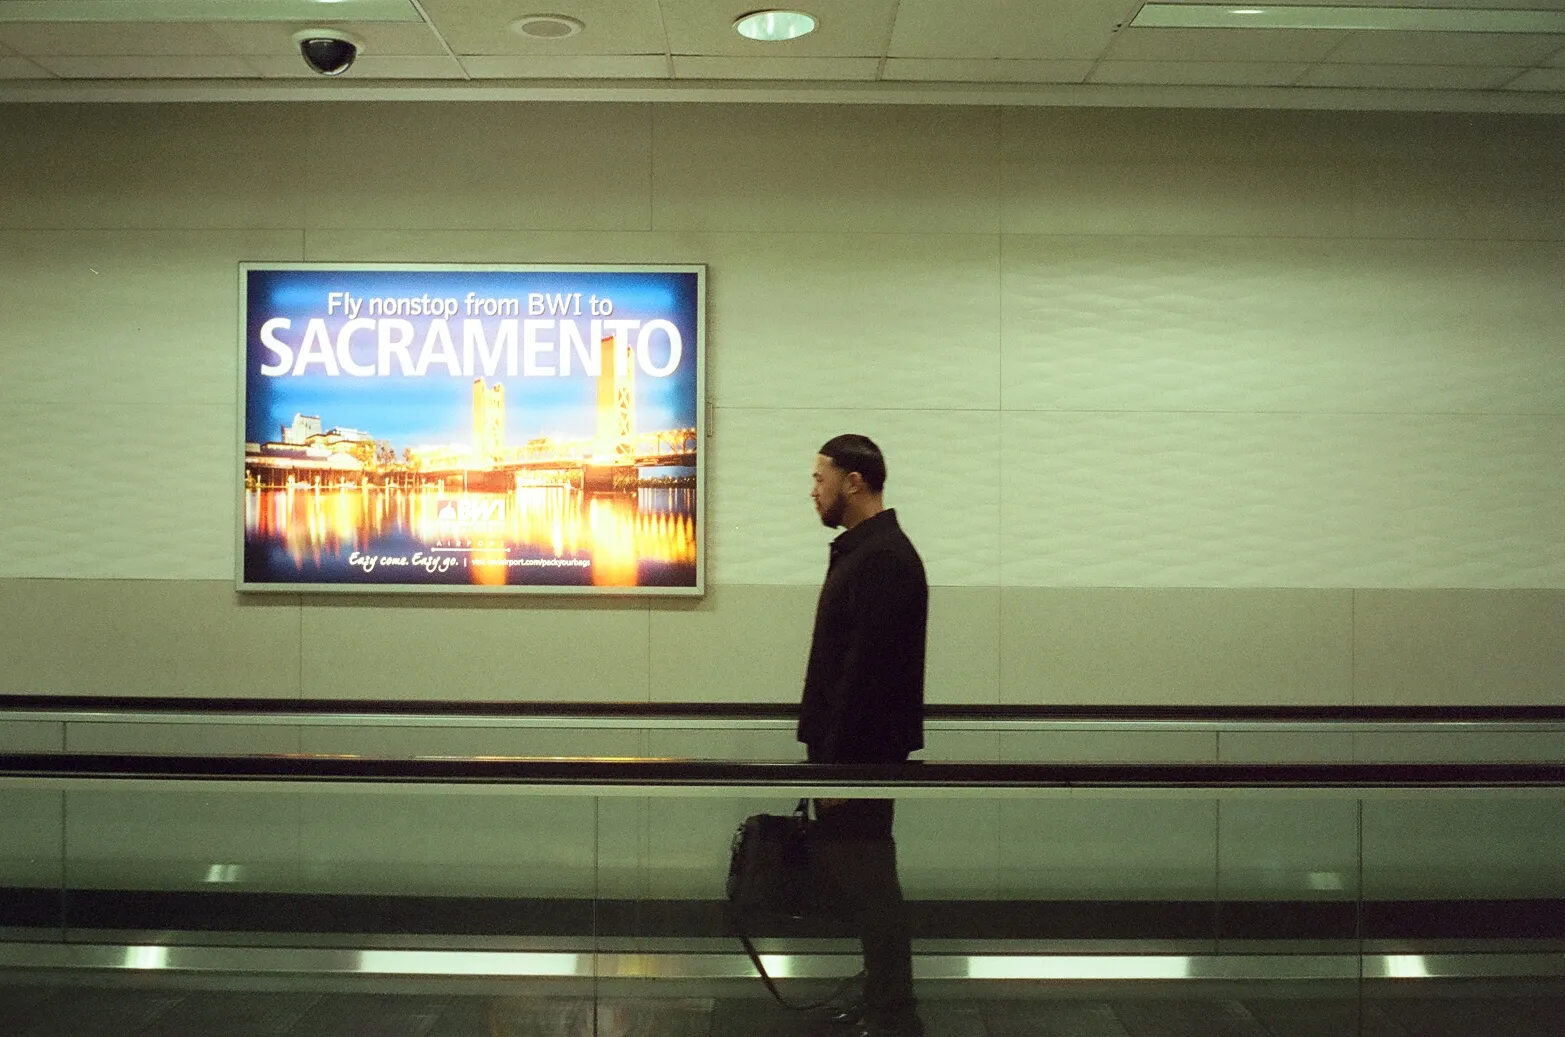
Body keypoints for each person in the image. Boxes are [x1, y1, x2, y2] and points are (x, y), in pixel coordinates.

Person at [799, 434, 927, 1037]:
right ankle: (884, 1000)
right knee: (867, 884)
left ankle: (893, 1011)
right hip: (856, 757)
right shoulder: (870, 553)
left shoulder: (880, 559)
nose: (813, 489)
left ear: (854, 482)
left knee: (873, 887)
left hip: (860, 761)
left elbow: (868, 677)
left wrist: (841, 770)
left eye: (821, 478)